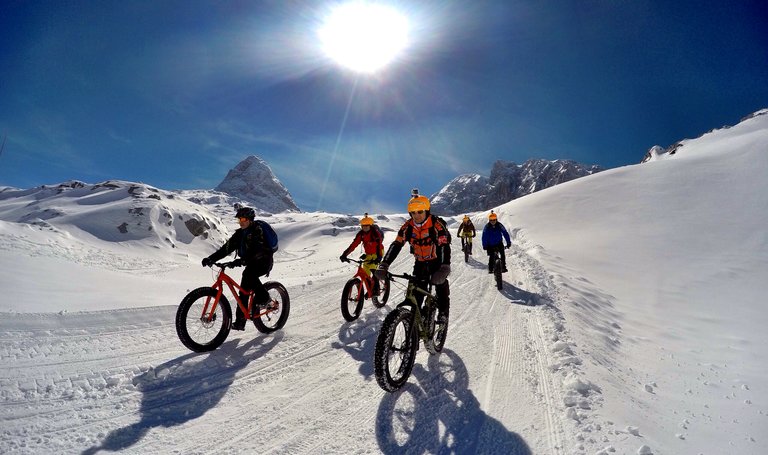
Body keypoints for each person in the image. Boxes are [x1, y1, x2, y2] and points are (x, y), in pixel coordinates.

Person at [375, 190, 451, 323]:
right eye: (413, 212)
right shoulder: (407, 227)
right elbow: (397, 244)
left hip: (437, 263)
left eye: (420, 211)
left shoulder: (436, 224)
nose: (417, 215)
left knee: (441, 287)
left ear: (427, 210)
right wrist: (384, 264)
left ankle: (443, 315)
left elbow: (444, 245)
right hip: (420, 264)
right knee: (416, 296)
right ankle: (415, 327)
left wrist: (444, 267)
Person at [201, 207, 274, 331]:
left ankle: (266, 299)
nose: (241, 222)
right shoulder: (239, 234)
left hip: (263, 261)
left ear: (250, 219)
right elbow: (226, 249)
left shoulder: (257, 230)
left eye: (243, 219)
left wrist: (242, 261)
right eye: (239, 219)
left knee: (249, 275)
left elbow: (258, 249)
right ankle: (240, 322)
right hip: (250, 262)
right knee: (244, 290)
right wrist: (211, 258)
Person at [340, 213, 385, 293]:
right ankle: (370, 289)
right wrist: (345, 254)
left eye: (367, 226)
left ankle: (376, 290)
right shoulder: (361, 234)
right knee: (365, 273)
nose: (365, 228)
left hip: (378, 252)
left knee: (373, 270)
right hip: (368, 254)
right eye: (363, 226)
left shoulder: (375, 233)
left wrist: (379, 257)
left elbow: (378, 245)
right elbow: (353, 245)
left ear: (370, 226)